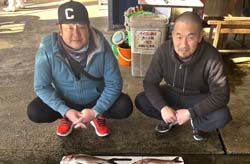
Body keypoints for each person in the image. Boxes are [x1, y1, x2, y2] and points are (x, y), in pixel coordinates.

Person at [27, 0, 133, 137]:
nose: (76, 34)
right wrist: (64, 110)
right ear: (60, 29)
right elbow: (42, 86)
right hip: (65, 99)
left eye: (81, 27)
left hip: (95, 98)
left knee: (124, 106)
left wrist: (96, 110)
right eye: (69, 28)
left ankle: (98, 117)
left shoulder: (101, 44)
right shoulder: (47, 47)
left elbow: (114, 83)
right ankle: (66, 117)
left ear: (89, 27)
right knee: (35, 111)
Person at [135, 11, 232, 141]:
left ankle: (196, 123)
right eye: (179, 37)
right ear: (172, 35)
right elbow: (150, 82)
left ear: (200, 37)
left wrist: (191, 113)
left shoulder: (211, 56)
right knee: (142, 100)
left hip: (199, 97)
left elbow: (221, 95)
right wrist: (163, 108)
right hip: (173, 93)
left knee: (222, 116)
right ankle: (171, 118)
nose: (183, 45)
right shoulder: (163, 51)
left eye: (190, 37)